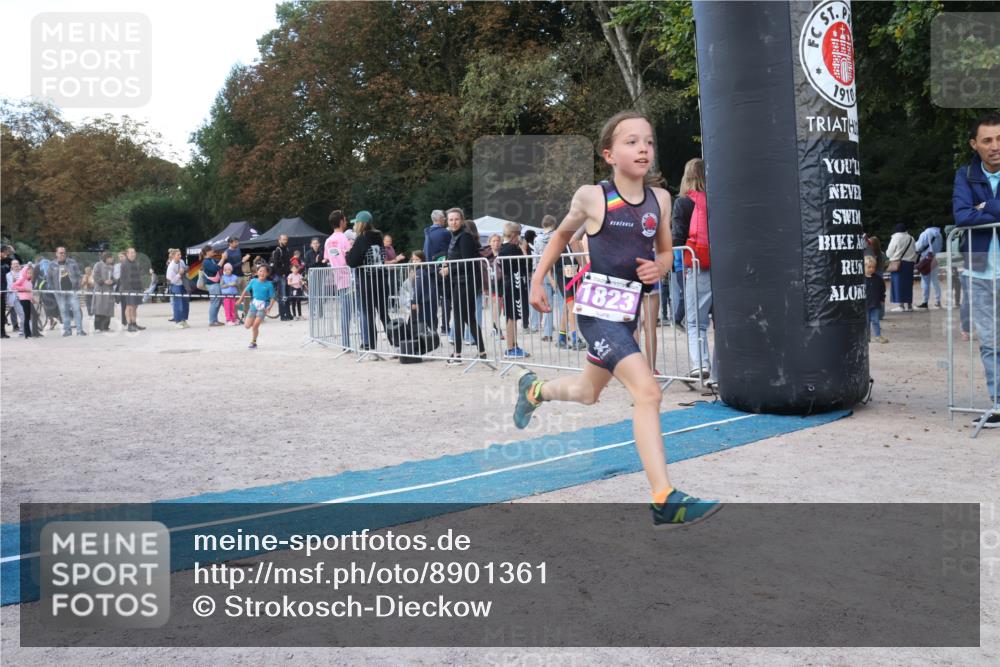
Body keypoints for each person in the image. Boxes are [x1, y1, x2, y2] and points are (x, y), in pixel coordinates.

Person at [513, 110, 720, 527]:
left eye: (647, 141)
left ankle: (535, 390)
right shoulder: (593, 197)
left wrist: (660, 268)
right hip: (595, 314)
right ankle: (663, 497)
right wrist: (537, 281)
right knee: (648, 392)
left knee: (589, 393)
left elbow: (665, 252)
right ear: (609, 154)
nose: (643, 147)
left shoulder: (660, 201)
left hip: (625, 315)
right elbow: (560, 236)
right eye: (631, 141)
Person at [953, 111, 1000, 427]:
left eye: (999, 139)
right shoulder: (965, 175)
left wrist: (984, 208)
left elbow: (974, 214)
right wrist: (981, 212)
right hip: (980, 271)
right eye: (988, 140)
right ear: (975, 144)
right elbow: (962, 217)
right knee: (991, 343)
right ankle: (999, 403)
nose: (995, 146)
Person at [672, 158, 714, 380]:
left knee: (695, 322)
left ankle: (701, 365)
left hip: (697, 266)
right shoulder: (718, 199)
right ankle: (720, 370)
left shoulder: (683, 203)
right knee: (721, 320)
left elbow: (677, 239)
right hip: (723, 266)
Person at [440, 207, 486, 363]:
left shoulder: (465, 236)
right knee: (467, 317)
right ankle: (481, 351)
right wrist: (448, 263)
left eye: (456, 219)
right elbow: (457, 258)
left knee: (461, 317)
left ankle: (458, 354)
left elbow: (467, 262)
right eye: (451, 219)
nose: (453, 222)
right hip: (458, 282)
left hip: (465, 282)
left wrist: (449, 268)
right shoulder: (455, 236)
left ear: (462, 220)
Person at [346, 212, 391, 350]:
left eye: (355, 222)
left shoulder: (362, 238)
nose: (354, 225)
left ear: (361, 224)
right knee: (384, 314)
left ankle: (371, 346)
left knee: (369, 314)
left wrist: (348, 254)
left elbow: (353, 261)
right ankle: (397, 342)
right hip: (381, 280)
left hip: (367, 282)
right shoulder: (378, 236)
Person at [498, 222, 530, 359]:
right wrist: (523, 250)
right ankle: (511, 347)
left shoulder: (503, 248)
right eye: (518, 235)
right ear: (514, 235)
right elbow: (525, 264)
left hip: (509, 285)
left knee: (513, 316)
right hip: (513, 285)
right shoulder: (512, 249)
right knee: (512, 316)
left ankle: (513, 345)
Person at [324, 210, 354, 348]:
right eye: (345, 219)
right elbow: (350, 257)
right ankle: (354, 343)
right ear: (341, 222)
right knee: (355, 311)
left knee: (345, 311)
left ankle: (345, 342)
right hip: (349, 277)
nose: (346, 222)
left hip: (338, 278)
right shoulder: (344, 239)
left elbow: (327, 258)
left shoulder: (328, 241)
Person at [47, 247, 85, 336]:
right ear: (56, 254)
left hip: (72, 290)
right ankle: (67, 331)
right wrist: (54, 289)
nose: (63, 254)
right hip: (59, 292)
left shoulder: (72, 262)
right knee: (64, 311)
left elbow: (79, 275)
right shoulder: (52, 265)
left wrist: (78, 286)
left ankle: (80, 331)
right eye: (60, 253)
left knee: (76, 310)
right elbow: (49, 278)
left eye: (64, 253)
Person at [424, 209, 452, 332]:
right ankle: (445, 327)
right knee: (446, 298)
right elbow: (451, 250)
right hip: (442, 268)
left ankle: (432, 327)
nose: (445, 220)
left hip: (429, 268)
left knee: (433, 298)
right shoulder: (445, 233)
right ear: (440, 219)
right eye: (444, 218)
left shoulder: (427, 232)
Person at [240, 264, 275, 349]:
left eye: (264, 271)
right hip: (254, 305)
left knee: (255, 326)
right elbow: (246, 290)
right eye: (260, 271)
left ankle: (253, 342)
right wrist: (240, 299)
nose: (262, 273)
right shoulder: (253, 281)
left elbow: (273, 297)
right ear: (256, 272)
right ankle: (254, 324)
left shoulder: (269, 284)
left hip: (263, 306)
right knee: (247, 326)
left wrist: (269, 307)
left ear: (267, 274)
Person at [885, 223, 918, 312]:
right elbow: (915, 250)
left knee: (898, 284)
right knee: (908, 284)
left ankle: (901, 306)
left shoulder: (896, 238)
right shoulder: (911, 238)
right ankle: (909, 305)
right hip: (910, 264)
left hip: (898, 263)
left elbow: (889, 253)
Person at [915, 224, 944, 309]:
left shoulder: (925, 233)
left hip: (926, 259)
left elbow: (919, 246)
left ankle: (925, 302)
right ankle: (937, 301)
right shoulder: (939, 234)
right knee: (935, 281)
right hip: (936, 258)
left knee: (925, 281)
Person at [119, 247, 145, 331]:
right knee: (129, 306)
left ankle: (134, 323)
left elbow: (139, 276)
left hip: (137, 288)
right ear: (127, 254)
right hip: (129, 288)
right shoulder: (124, 264)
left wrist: (141, 287)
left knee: (135, 306)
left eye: (134, 252)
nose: (133, 254)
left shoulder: (136, 263)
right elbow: (123, 278)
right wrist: (127, 289)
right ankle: (129, 325)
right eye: (131, 252)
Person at [270, 234, 293, 321]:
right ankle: (282, 315)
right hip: (282, 276)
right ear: (279, 240)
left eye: (286, 239)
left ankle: (288, 313)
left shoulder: (287, 249)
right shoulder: (277, 250)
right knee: (282, 295)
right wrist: (281, 273)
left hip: (288, 275)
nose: (285, 241)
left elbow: (288, 263)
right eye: (283, 239)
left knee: (287, 295)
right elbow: (276, 265)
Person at [165, 248, 190, 329]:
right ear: (173, 256)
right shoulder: (171, 266)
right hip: (175, 285)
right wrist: (179, 274)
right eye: (178, 255)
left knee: (185, 303)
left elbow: (185, 269)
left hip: (183, 284)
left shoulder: (182, 261)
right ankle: (177, 322)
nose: (180, 256)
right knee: (177, 304)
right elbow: (171, 281)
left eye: (180, 254)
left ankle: (184, 320)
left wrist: (185, 269)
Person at [865, 255, 887, 344]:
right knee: (866, 322)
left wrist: (882, 299)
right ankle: (866, 337)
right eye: (869, 267)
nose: (871, 269)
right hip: (865, 304)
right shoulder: (860, 279)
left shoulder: (878, 279)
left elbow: (882, 290)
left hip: (875, 303)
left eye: (873, 267)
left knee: (875, 320)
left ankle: (878, 336)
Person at [201, 246, 225, 326]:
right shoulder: (206, 262)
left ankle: (215, 320)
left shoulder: (211, 260)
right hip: (212, 285)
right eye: (212, 251)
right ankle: (212, 321)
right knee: (215, 302)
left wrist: (223, 258)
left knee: (217, 302)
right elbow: (216, 268)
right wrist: (223, 259)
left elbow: (219, 264)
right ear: (207, 252)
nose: (213, 252)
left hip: (215, 284)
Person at [92, 252, 115, 332]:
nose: (112, 259)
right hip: (100, 290)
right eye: (111, 257)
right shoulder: (98, 265)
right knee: (99, 309)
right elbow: (95, 276)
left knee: (108, 309)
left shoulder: (112, 267)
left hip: (109, 290)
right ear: (106, 258)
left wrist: (112, 281)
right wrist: (103, 281)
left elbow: (114, 278)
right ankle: (97, 327)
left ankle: (105, 327)